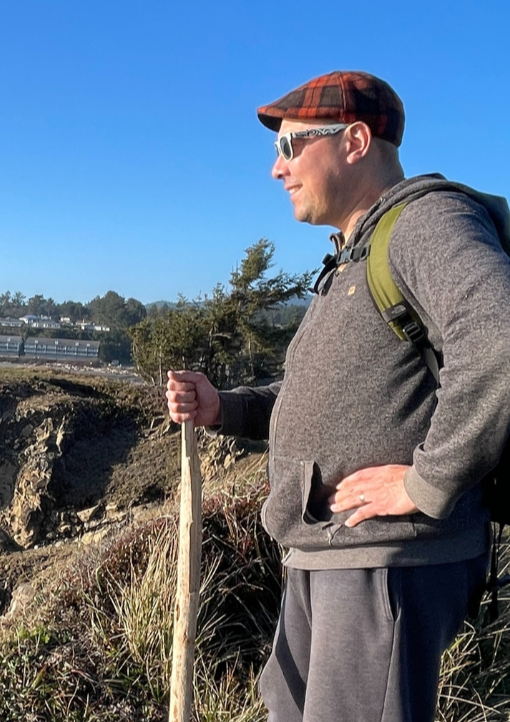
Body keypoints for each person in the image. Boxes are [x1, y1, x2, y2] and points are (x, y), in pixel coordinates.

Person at [166, 70, 510, 722]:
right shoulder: (355, 254)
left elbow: (500, 339)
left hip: (384, 560)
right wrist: (226, 407)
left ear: (354, 141)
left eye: (291, 147)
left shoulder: (424, 224)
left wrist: (428, 482)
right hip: (329, 555)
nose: (276, 169)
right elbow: (314, 394)